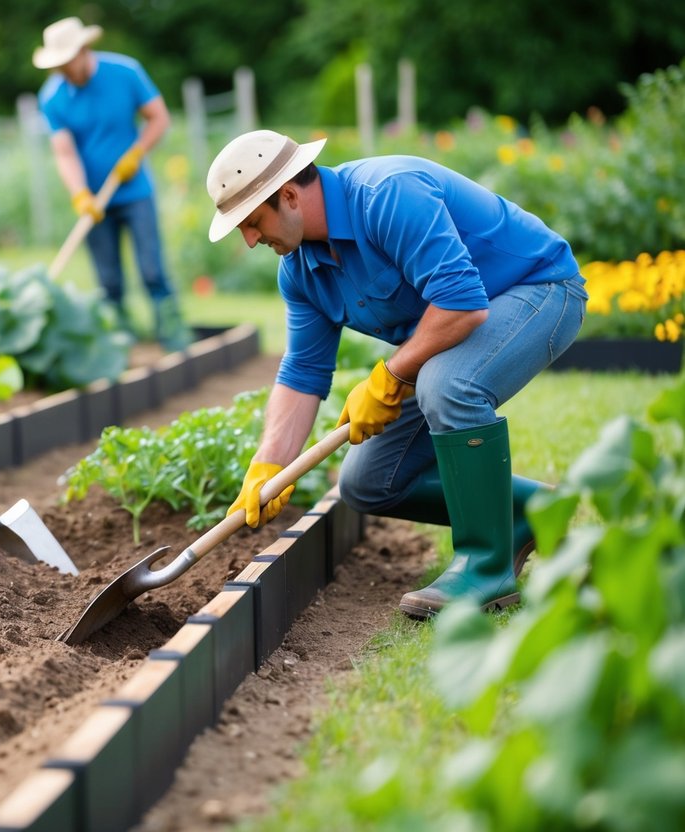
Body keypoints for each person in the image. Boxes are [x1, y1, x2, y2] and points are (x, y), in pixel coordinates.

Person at [207, 130, 588, 618]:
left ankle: (486, 567)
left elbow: (461, 307)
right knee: (367, 481)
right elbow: (303, 370)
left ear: (288, 195)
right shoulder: (300, 271)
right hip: (452, 329)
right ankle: (531, 512)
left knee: (448, 385)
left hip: (539, 290)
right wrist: (270, 464)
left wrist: (388, 376)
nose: (250, 239)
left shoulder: (386, 195)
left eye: (252, 222)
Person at [33, 16, 190, 352]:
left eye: (67, 61)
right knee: (109, 281)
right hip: (95, 201)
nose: (63, 70)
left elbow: (159, 117)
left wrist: (137, 152)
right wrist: (79, 194)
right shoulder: (53, 97)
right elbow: (64, 153)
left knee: (152, 270)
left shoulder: (125, 72)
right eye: (56, 64)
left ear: (84, 49)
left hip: (135, 193)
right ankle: (123, 344)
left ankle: (174, 335)